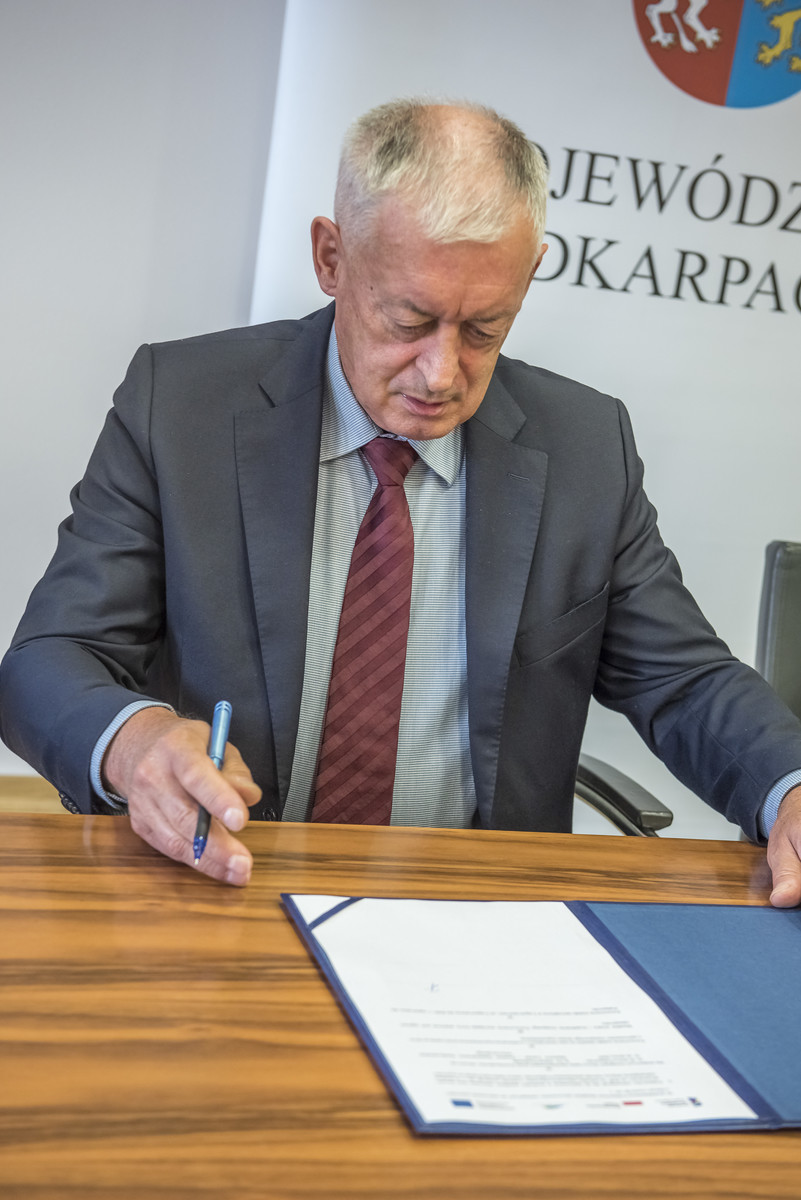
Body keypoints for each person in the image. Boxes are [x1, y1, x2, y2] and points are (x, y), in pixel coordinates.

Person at [2, 98, 801, 901]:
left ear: (529, 275)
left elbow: (684, 681)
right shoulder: (182, 408)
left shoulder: (584, 449)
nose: (441, 374)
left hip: (477, 908)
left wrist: (789, 786)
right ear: (331, 258)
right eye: (408, 320)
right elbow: (49, 659)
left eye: (483, 329)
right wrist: (136, 743)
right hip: (224, 880)